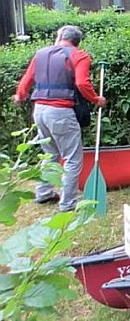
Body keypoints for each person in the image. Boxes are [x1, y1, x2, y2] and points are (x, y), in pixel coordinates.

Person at [13, 25, 106, 211]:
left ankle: (43, 193)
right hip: (61, 112)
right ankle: (68, 203)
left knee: (50, 154)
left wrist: (20, 95)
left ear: (60, 37)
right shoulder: (79, 55)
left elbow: (27, 79)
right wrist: (96, 99)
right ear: (77, 41)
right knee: (72, 159)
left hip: (39, 110)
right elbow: (82, 83)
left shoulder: (41, 54)